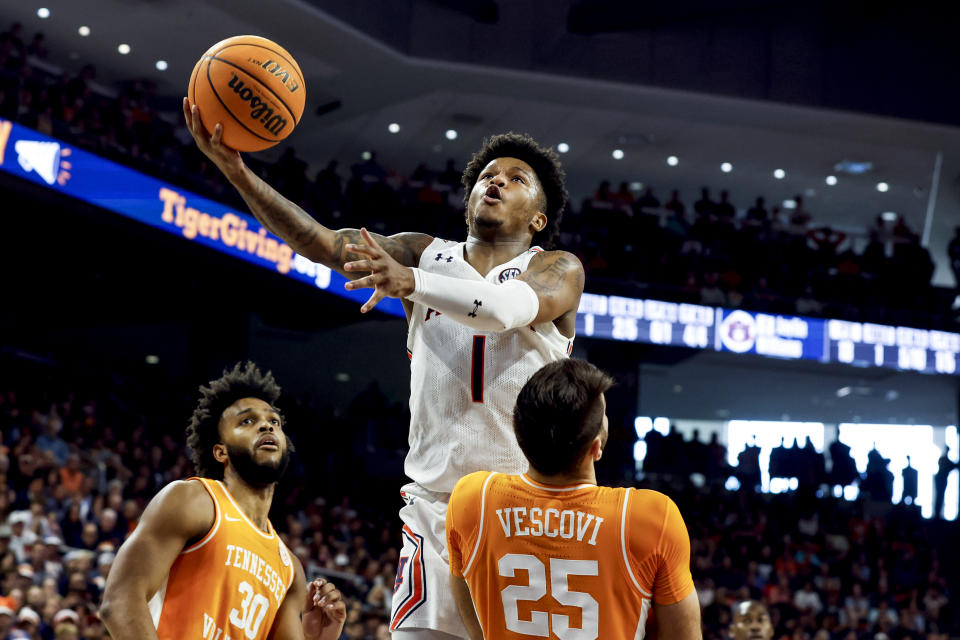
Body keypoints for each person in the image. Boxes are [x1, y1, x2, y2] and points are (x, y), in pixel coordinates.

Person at [185, 101, 584, 640]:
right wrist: (238, 172)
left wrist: (410, 283)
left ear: (538, 217)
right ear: (468, 198)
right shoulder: (422, 253)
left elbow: (504, 311)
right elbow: (321, 242)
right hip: (434, 514)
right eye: (487, 175)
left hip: (525, 509)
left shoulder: (555, 268)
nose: (496, 182)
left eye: (515, 179)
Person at [445, 359, 700, 640]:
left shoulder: (473, 499)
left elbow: (460, 584)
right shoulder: (649, 516)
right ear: (596, 448)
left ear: (519, 435)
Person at [99, 362, 346, 640]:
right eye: (247, 421)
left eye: (274, 421)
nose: (266, 425)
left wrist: (318, 639)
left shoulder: (290, 568)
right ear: (220, 452)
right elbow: (120, 602)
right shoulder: (193, 500)